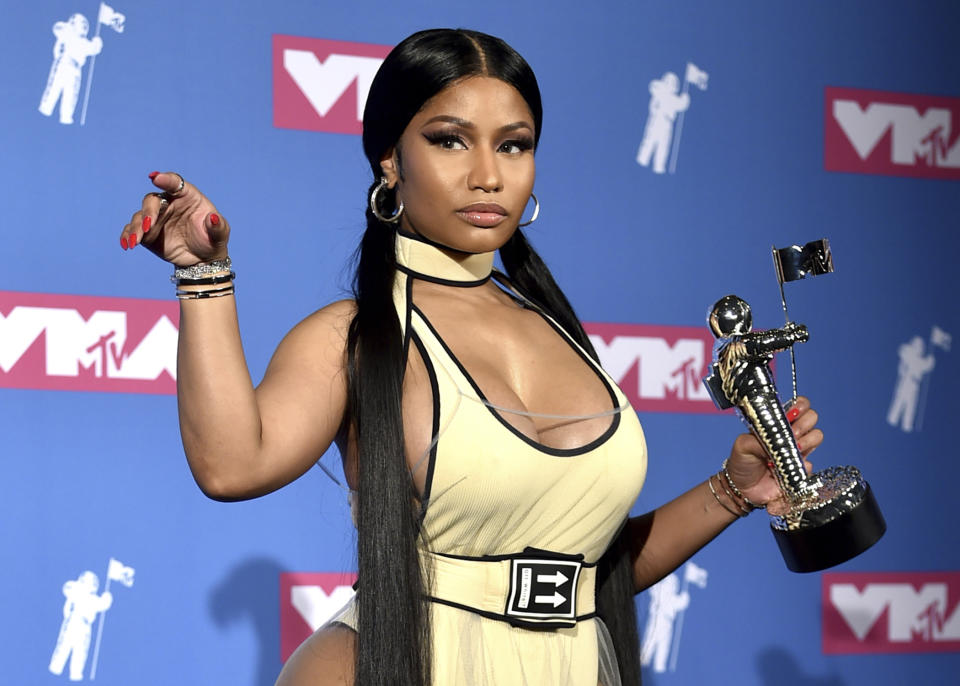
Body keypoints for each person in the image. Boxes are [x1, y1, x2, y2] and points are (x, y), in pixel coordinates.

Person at [119, 28, 822, 686]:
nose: (488, 175)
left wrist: (732, 491)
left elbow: (588, 574)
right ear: (390, 159)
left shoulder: (560, 329)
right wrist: (202, 275)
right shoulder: (355, 335)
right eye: (451, 141)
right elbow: (231, 465)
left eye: (513, 145)